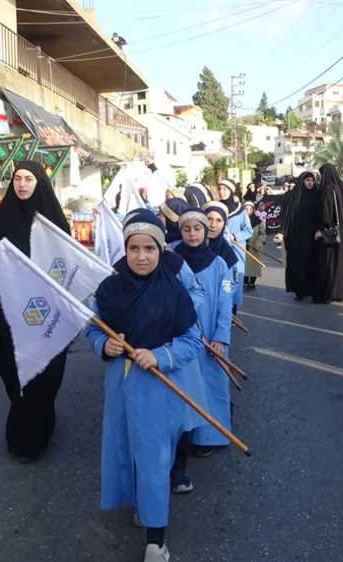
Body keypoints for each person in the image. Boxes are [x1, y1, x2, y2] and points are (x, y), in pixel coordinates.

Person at [86, 212, 205, 562]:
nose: (141, 256)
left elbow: (192, 341)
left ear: (160, 250)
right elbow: (93, 328)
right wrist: (102, 345)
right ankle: (140, 506)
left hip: (158, 386)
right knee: (124, 452)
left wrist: (160, 355)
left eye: (149, 249)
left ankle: (157, 539)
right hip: (120, 386)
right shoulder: (109, 289)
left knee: (153, 460)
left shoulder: (174, 291)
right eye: (133, 248)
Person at [0, 162, 70, 462]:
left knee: (44, 377)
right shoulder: (2, 221)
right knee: (16, 377)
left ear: (39, 182)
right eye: (17, 179)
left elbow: (65, 266)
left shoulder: (54, 222)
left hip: (44, 318)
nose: (22, 184)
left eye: (29, 179)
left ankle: (38, 433)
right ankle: (22, 432)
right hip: (9, 316)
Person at [174, 208, 233, 456]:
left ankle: (209, 436)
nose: (192, 233)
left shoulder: (219, 264)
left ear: (205, 230)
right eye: (186, 229)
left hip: (210, 333)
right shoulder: (171, 259)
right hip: (179, 334)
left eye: (197, 228)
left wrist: (221, 337)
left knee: (210, 383)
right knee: (183, 386)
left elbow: (225, 303)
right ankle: (182, 437)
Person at [283, 171, 325, 302]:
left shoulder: (317, 196)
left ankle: (310, 289)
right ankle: (299, 290)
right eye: (307, 180)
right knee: (297, 263)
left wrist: (319, 229)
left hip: (312, 237)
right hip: (296, 237)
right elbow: (288, 216)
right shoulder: (295, 197)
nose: (310, 183)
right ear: (302, 181)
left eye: (312, 180)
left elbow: (321, 215)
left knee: (312, 263)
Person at [319, 164, 343, 303]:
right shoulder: (338, 189)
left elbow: (327, 215)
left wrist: (322, 228)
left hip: (331, 233)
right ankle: (341, 291)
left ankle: (332, 290)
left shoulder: (328, 190)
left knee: (330, 262)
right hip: (341, 233)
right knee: (341, 261)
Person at [217, 180, 252, 311]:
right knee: (221, 280)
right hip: (218, 250)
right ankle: (223, 309)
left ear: (231, 191)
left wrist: (235, 236)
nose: (221, 192)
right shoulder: (216, 208)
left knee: (234, 279)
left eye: (225, 189)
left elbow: (248, 230)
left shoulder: (240, 209)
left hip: (236, 251)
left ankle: (233, 310)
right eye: (219, 189)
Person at [202, 201, 241, 303]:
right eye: (209, 219)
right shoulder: (188, 246)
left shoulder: (227, 254)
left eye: (219, 220)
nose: (213, 225)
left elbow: (229, 287)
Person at [243, 201, 265, 290]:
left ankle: (252, 282)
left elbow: (262, 233)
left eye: (250, 209)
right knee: (244, 265)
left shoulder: (258, 221)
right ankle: (244, 281)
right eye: (246, 209)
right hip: (243, 247)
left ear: (253, 209)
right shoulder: (240, 220)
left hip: (255, 246)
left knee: (253, 265)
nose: (248, 211)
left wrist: (258, 242)